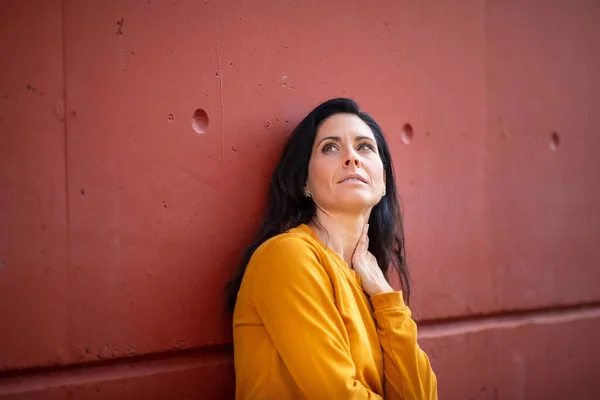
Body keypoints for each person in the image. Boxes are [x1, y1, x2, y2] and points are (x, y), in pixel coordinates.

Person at [226, 98, 437, 399]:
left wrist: (384, 297)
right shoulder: (288, 257)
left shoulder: (368, 281)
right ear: (304, 183)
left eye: (365, 146)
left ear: (384, 178)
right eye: (330, 147)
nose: (352, 158)